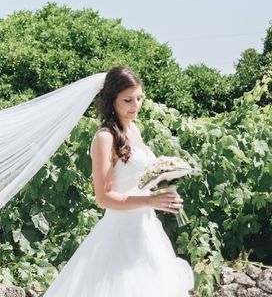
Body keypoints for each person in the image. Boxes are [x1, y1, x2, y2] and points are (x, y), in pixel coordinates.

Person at [42, 65, 194, 297]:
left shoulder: (134, 130)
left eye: (139, 98)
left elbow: (138, 179)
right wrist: (150, 202)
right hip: (120, 232)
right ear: (111, 100)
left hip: (146, 229)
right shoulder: (105, 138)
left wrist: (164, 192)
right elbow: (103, 198)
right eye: (128, 100)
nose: (136, 106)